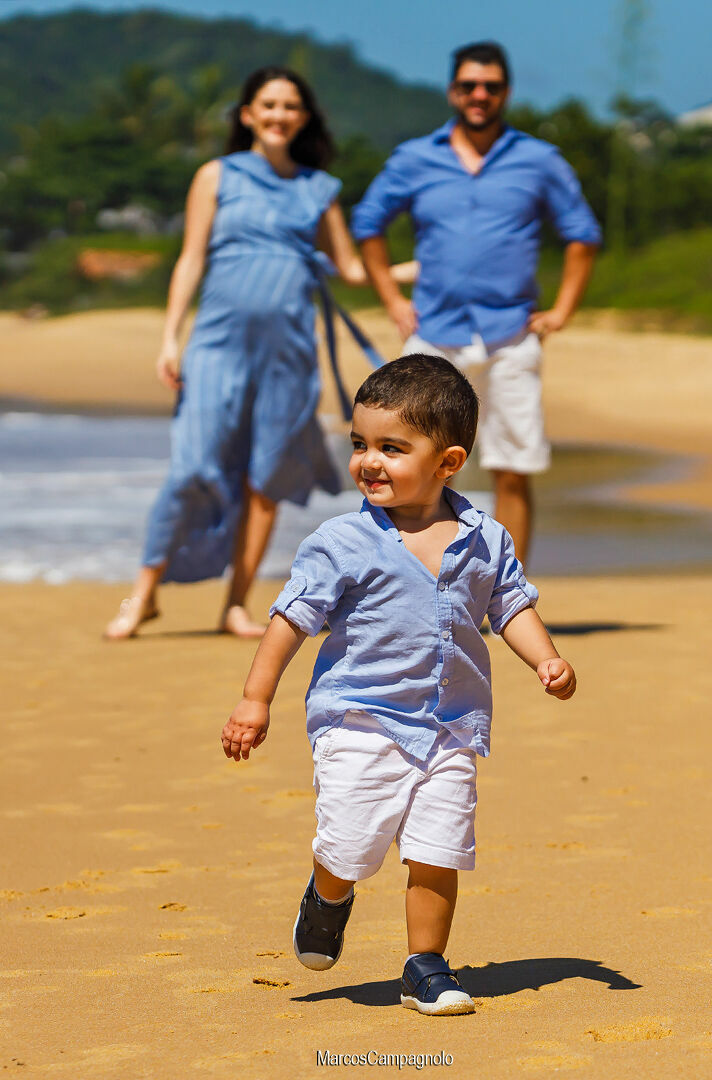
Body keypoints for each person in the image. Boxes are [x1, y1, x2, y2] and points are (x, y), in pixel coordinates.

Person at [221, 355, 576, 1015]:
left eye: (391, 447)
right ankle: (328, 894)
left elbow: (511, 607)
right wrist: (254, 698)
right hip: (360, 723)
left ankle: (425, 966)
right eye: (359, 444)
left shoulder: (484, 538)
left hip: (449, 726)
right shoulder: (342, 542)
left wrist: (545, 659)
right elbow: (289, 622)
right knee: (351, 845)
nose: (368, 461)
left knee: (438, 848)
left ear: (447, 461)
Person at [104, 66, 414, 640]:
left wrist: (415, 268)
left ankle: (236, 604)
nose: (279, 115)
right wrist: (170, 335)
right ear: (247, 114)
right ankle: (143, 594)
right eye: (268, 105)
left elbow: (348, 268)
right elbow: (191, 258)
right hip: (217, 345)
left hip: (289, 354)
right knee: (191, 468)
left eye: (290, 106)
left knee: (265, 478)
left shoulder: (318, 189)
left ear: (303, 118)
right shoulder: (216, 175)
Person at [352, 41, 602, 567]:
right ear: (452, 91)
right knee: (415, 468)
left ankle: (508, 601)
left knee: (513, 467)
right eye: (469, 85)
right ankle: (413, 585)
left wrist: (562, 311)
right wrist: (392, 299)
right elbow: (368, 225)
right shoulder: (415, 158)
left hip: (511, 335)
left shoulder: (538, 159)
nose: (479, 94)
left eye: (490, 85)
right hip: (433, 334)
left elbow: (582, 234)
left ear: (506, 91)